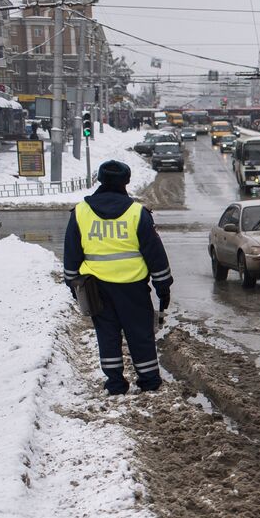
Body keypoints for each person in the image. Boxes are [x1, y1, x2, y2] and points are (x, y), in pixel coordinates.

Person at [62, 159, 173, 395]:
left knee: (107, 335)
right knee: (140, 334)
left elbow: (72, 252)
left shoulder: (81, 212)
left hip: (96, 288)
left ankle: (115, 384)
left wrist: (73, 283)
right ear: (126, 181)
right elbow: (155, 254)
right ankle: (149, 381)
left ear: (100, 180)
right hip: (133, 288)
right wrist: (163, 285)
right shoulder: (137, 213)